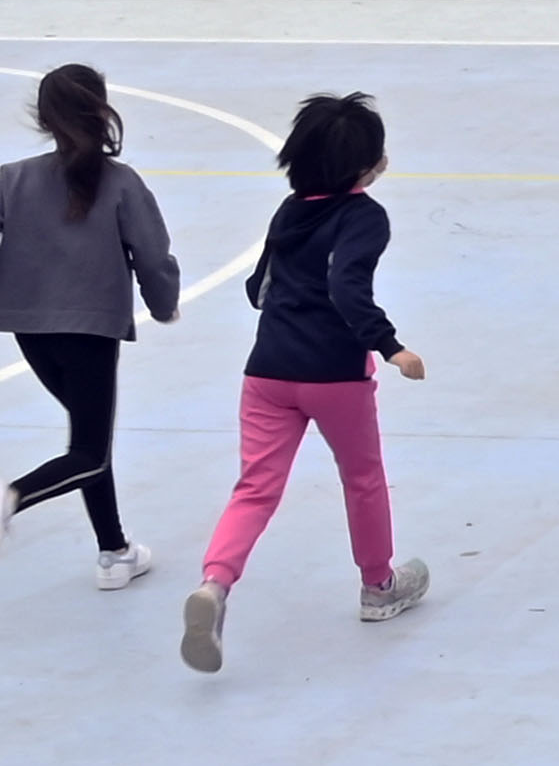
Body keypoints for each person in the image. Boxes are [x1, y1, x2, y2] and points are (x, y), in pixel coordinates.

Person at [178, 91, 424, 671]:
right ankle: (378, 586)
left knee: (255, 488)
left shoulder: (288, 211)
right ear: (362, 168)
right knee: (363, 479)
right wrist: (391, 346)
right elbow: (346, 287)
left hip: (267, 371)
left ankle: (214, 585)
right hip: (336, 375)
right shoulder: (365, 216)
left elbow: (257, 288)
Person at [0, 64, 181, 592]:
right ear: (100, 110)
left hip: (31, 330)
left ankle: (114, 551)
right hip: (91, 330)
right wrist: (163, 304)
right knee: (90, 452)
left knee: (87, 443)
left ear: (43, 119)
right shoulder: (121, 181)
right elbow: (153, 255)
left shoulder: (12, 178)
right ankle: (10, 499)